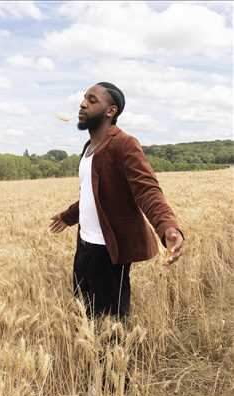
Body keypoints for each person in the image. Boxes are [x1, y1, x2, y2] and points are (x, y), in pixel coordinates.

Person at [49, 82, 184, 320]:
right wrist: (67, 217)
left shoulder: (124, 144)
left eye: (92, 100)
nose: (82, 104)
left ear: (111, 111)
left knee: (113, 323)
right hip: (84, 246)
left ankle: (117, 358)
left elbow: (147, 190)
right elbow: (93, 197)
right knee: (85, 313)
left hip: (109, 251)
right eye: (83, 98)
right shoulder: (89, 147)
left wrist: (167, 226)